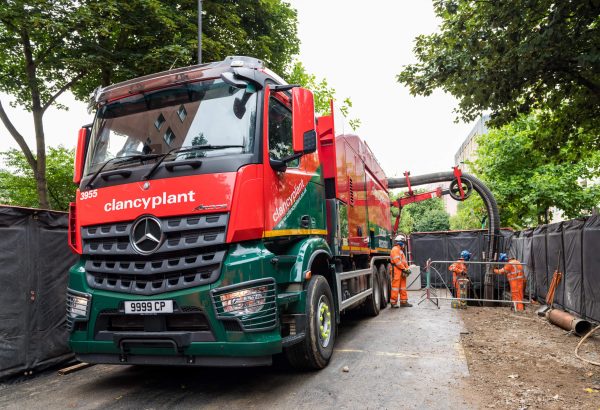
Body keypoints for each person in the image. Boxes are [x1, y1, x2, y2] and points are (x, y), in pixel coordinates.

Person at [390, 234, 412, 308]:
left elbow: (404, 261)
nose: (404, 245)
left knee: (403, 287)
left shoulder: (401, 251)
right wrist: (404, 269)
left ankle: (403, 302)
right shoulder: (395, 250)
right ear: (400, 243)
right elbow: (397, 262)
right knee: (395, 286)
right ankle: (393, 302)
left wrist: (407, 268)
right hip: (396, 270)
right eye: (404, 243)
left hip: (401, 270)